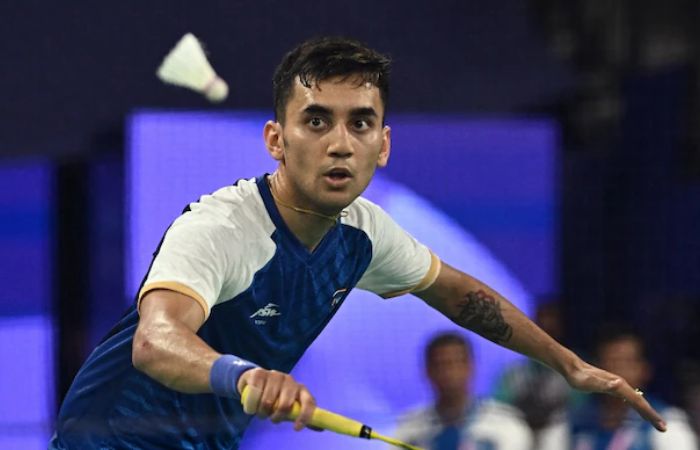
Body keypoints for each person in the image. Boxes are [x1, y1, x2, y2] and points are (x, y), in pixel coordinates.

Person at [50, 36, 667, 449]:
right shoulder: (222, 226)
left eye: (361, 123)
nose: (340, 143)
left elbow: (461, 295)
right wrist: (244, 375)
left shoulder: (363, 233)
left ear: (383, 145)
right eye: (316, 120)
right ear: (276, 139)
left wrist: (569, 365)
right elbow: (154, 342)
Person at [542, 329, 698, 450]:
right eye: (611, 362)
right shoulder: (569, 421)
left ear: (644, 370)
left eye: (627, 362)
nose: (618, 372)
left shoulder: (668, 421)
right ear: (595, 369)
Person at [395, 332, 533, 450]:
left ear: (471, 366)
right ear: (427, 370)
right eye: (440, 364)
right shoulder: (409, 428)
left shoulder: (505, 424)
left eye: (456, 362)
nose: (449, 372)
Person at [493, 301, 576, 446]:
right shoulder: (514, 373)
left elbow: (580, 412)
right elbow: (499, 411)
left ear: (560, 330)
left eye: (551, 331)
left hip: (561, 439)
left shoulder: (574, 370)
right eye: (541, 329)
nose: (545, 339)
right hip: (518, 438)